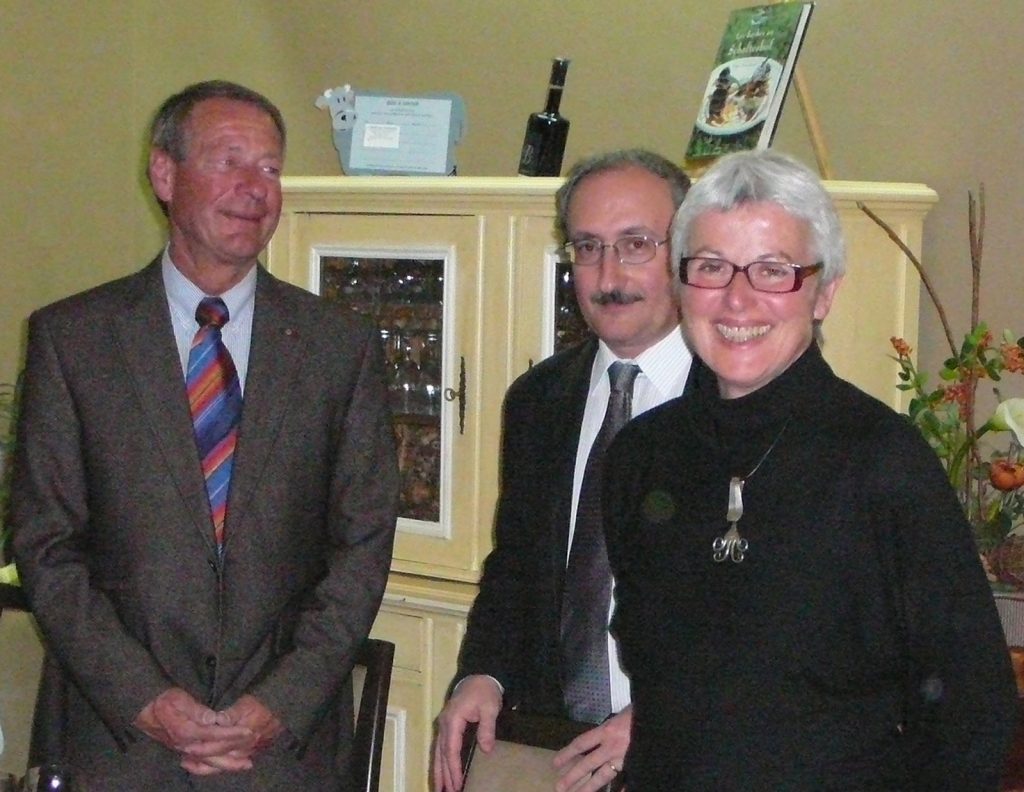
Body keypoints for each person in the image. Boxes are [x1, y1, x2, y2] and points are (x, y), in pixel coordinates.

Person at [10, 80, 399, 789]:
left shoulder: (338, 348)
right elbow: (47, 545)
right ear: (164, 174)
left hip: (282, 754)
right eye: (229, 161)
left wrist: (279, 703)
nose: (255, 188)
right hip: (118, 746)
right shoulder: (75, 342)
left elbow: (363, 544)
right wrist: (144, 699)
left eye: (271, 168)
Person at [604, 149, 1018, 790]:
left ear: (824, 294)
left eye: (774, 270)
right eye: (711, 267)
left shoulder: (884, 463)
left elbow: (972, 709)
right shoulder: (640, 456)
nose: (737, 300)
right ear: (681, 285)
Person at [432, 149, 692, 792]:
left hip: (694, 751)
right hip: (555, 749)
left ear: (688, 251)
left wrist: (664, 712)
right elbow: (517, 565)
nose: (609, 275)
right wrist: (483, 673)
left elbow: (769, 614)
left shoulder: (736, 405)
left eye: (636, 245)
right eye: (588, 247)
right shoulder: (539, 399)